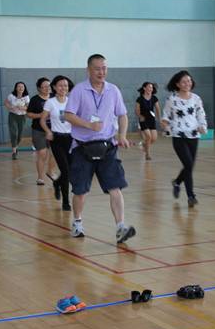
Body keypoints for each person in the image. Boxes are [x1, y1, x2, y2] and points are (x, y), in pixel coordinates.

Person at [64, 54, 136, 243]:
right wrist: (88, 125)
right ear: (88, 70)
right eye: (97, 69)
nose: (101, 72)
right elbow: (68, 115)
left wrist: (122, 135)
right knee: (80, 190)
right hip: (82, 147)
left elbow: (122, 115)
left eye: (104, 68)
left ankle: (120, 226)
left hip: (107, 147)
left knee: (115, 187)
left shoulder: (113, 90)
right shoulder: (79, 90)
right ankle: (77, 222)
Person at [161, 70, 208, 208]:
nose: (187, 83)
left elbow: (201, 114)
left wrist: (203, 126)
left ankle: (177, 182)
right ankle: (191, 196)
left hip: (193, 135)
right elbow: (165, 116)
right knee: (188, 164)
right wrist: (165, 124)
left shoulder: (196, 98)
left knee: (190, 166)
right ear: (177, 84)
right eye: (184, 81)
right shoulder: (172, 99)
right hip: (178, 135)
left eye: (189, 80)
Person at [40, 75, 75, 210]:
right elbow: (42, 120)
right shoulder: (51, 102)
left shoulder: (72, 101)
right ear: (54, 87)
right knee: (65, 170)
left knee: (69, 170)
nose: (63, 88)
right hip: (57, 140)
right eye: (60, 85)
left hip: (71, 139)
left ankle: (57, 183)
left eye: (65, 85)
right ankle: (66, 201)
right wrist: (48, 131)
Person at [27, 77, 56, 186]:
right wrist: (40, 115)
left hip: (54, 129)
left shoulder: (54, 97)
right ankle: (40, 177)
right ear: (39, 88)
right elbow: (28, 114)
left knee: (55, 153)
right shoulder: (35, 100)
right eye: (44, 87)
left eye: (49, 86)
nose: (47, 88)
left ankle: (50, 171)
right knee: (42, 153)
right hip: (39, 130)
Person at [135, 82, 161, 161]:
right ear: (144, 88)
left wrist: (159, 118)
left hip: (151, 120)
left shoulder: (154, 98)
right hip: (143, 120)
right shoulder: (140, 99)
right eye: (149, 87)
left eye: (152, 87)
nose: (151, 89)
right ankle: (147, 154)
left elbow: (157, 108)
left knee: (154, 138)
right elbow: (137, 110)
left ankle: (144, 145)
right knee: (148, 136)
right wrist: (140, 116)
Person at [4, 81, 30, 159]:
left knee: (20, 135)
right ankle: (14, 152)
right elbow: (6, 102)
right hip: (13, 116)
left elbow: (28, 107)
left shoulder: (26, 97)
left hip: (22, 116)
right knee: (14, 133)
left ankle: (16, 146)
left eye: (22, 87)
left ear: (24, 88)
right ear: (16, 88)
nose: (20, 88)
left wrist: (22, 108)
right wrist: (10, 107)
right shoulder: (11, 96)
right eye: (19, 86)